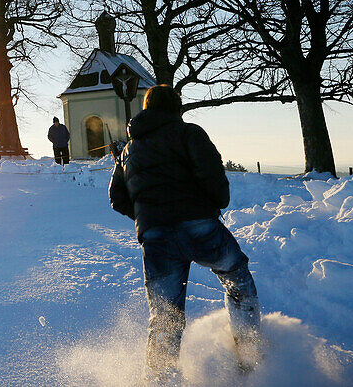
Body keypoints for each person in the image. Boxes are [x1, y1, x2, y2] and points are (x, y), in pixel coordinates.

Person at [109, 85, 261, 384]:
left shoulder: (129, 149)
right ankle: (251, 360)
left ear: (147, 108)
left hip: (157, 239)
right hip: (200, 226)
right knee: (238, 280)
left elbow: (117, 197)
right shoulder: (189, 132)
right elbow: (212, 174)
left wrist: (150, 216)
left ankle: (160, 381)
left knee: (165, 318)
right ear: (176, 107)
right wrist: (213, 203)